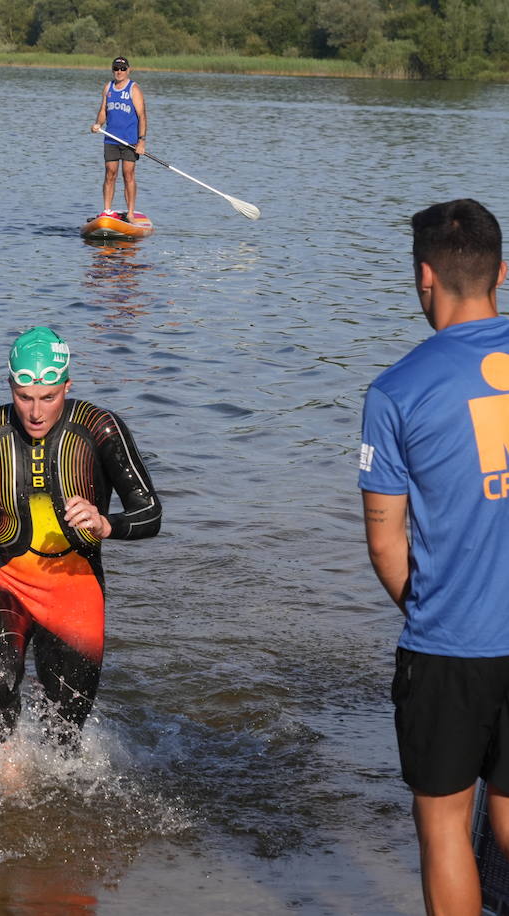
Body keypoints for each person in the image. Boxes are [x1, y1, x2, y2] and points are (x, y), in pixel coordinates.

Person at [359, 198, 509, 915]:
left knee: (447, 828)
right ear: (501, 273)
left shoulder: (395, 391)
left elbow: (386, 542)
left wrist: (433, 609)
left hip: (450, 644)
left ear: (424, 277)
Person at [0, 326, 162, 740]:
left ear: (67, 385)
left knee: (63, 736)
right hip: (5, 577)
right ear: (10, 385)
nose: (35, 412)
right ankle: (4, 771)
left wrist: (107, 524)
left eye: (48, 397)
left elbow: (150, 513)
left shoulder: (99, 429)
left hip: (76, 589)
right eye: (24, 397)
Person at [90, 56, 148, 224]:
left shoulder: (134, 89)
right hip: (111, 139)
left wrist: (142, 140)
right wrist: (98, 124)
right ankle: (107, 211)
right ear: (113, 70)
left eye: (122, 69)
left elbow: (142, 116)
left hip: (130, 141)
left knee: (128, 174)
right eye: (116, 68)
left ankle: (130, 213)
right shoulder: (108, 87)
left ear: (128, 70)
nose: (119, 72)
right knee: (110, 173)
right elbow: (103, 111)